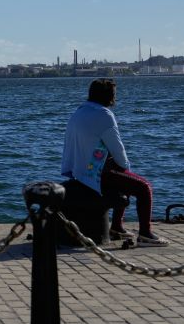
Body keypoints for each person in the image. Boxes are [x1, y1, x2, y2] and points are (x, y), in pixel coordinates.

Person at [61, 78, 168, 247]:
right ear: (109, 96)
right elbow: (118, 149)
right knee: (144, 187)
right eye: (114, 94)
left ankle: (117, 227)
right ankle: (145, 234)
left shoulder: (79, 112)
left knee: (122, 177)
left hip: (79, 172)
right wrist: (126, 168)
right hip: (95, 175)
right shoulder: (104, 115)